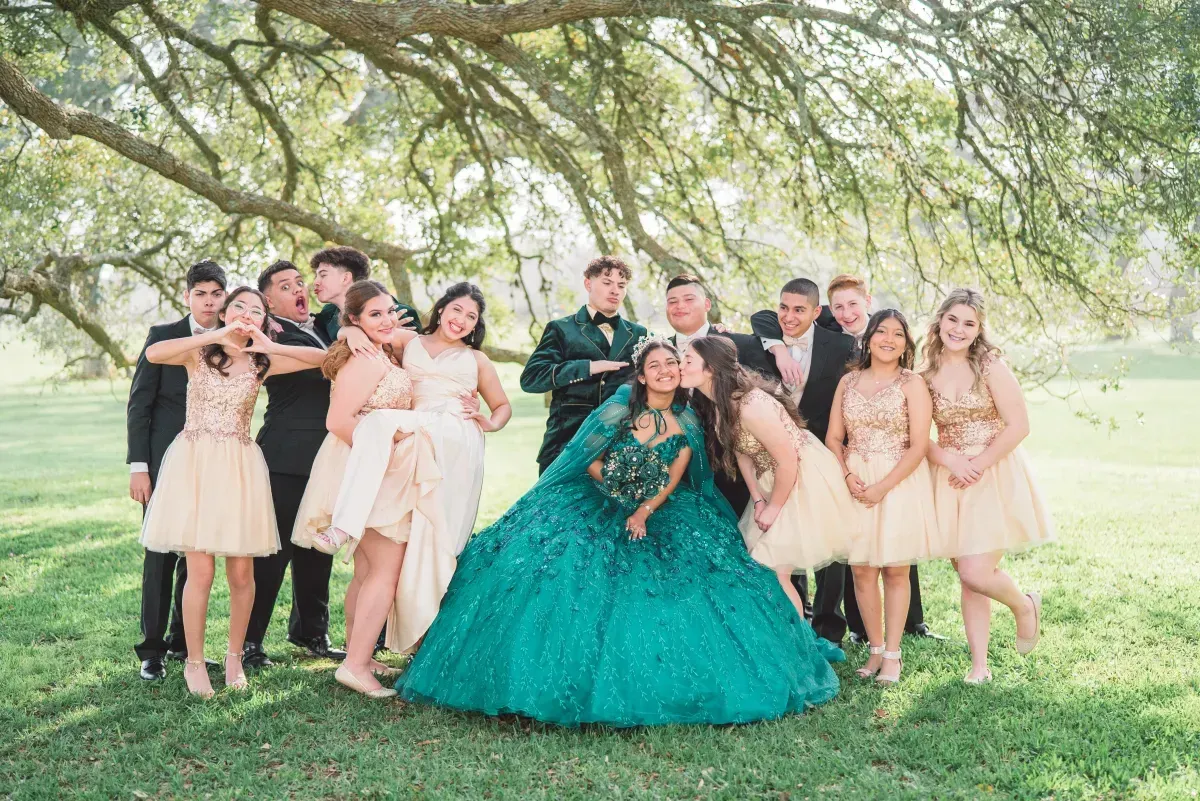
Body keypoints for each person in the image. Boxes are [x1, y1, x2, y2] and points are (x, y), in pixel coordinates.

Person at [395, 339, 843, 726]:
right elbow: (585, 455)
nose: (667, 371)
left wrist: (645, 505)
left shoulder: (689, 420)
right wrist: (617, 485)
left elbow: (675, 474)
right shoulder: (618, 410)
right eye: (656, 366)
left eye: (673, 364)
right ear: (643, 377)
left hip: (662, 507)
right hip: (597, 498)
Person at [303, 283, 512, 694]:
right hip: (411, 443)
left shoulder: (477, 359)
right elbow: (355, 330)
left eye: (471, 316)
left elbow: (502, 406)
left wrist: (487, 420)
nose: (461, 320)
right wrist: (351, 331)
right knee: (378, 562)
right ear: (440, 309)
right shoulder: (408, 341)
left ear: (476, 325)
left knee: (433, 537)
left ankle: (364, 649)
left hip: (454, 439)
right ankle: (358, 657)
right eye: (456, 309)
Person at [139, 287, 327, 697]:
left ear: (264, 319)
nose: (246, 313)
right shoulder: (199, 353)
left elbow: (324, 358)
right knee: (200, 571)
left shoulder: (263, 361)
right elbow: (155, 353)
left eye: (256, 310)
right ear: (225, 312)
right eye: (239, 306)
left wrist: (268, 343)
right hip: (196, 463)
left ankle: (234, 657)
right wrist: (212, 335)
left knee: (242, 573)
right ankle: (192, 661)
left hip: (240, 466)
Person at [755, 274, 940, 642]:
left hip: (891, 463)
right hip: (837, 456)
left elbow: (918, 440)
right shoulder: (828, 332)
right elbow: (764, 317)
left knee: (897, 554)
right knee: (848, 556)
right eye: (838, 306)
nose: (845, 312)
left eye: (853, 304)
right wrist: (777, 347)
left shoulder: (906, 374)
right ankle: (845, 628)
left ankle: (907, 626)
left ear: (867, 303)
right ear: (828, 310)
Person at [922, 289, 1051, 684]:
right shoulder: (924, 372)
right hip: (950, 476)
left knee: (978, 571)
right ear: (940, 320)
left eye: (969, 323)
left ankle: (1024, 606)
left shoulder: (990, 365)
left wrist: (976, 464)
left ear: (979, 330)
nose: (959, 329)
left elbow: (1019, 425)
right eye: (953, 320)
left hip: (992, 472)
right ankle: (979, 665)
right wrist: (950, 461)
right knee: (966, 571)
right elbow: (915, 434)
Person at [682, 336, 860, 621]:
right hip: (770, 482)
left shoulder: (752, 405)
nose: (681, 366)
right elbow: (743, 453)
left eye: (687, 360)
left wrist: (774, 506)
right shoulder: (719, 403)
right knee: (764, 569)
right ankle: (785, 642)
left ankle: (799, 649)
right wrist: (757, 498)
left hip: (798, 479)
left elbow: (788, 459)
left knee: (774, 571)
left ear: (711, 368)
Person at [825, 310, 952, 685]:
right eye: (882, 331)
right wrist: (847, 474)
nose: (889, 339)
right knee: (862, 570)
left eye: (898, 334)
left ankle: (894, 654)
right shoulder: (848, 381)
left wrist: (883, 486)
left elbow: (918, 445)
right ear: (868, 338)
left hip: (898, 482)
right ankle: (876, 648)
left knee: (896, 569)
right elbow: (834, 437)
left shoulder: (912, 383)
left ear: (906, 344)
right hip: (855, 481)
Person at [127, 259, 227, 681]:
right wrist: (139, 466)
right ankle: (152, 651)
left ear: (225, 297)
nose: (208, 301)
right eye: (200, 294)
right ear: (187, 297)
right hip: (164, 465)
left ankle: (186, 645)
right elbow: (139, 404)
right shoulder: (163, 337)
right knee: (160, 556)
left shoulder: (231, 342)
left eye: (216, 293)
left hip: (210, 463)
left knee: (198, 557)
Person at [242, 261, 344, 669]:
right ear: (269, 301)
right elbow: (324, 363)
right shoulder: (264, 334)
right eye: (286, 286)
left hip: (326, 454)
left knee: (318, 548)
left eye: (301, 282)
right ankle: (250, 642)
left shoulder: (324, 326)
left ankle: (312, 633)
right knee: (272, 552)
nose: (300, 289)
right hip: (283, 455)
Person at [747, 278, 855, 644]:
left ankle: (828, 628)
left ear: (817, 313)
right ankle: (795, 621)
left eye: (798, 310)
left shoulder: (840, 345)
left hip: (818, 454)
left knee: (827, 544)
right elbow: (759, 316)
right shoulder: (766, 338)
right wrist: (778, 349)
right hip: (774, 460)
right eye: (784, 308)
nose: (788, 317)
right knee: (782, 544)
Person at [520, 256, 647, 474]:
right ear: (588, 283)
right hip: (565, 445)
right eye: (607, 283)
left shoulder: (639, 334)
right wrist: (587, 367)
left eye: (621, 285)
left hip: (618, 449)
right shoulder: (560, 329)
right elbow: (531, 379)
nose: (615, 290)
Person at [663, 273, 776, 514]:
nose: (680, 306)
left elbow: (769, 395)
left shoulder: (740, 344)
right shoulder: (659, 351)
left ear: (707, 304)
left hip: (737, 473)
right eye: (672, 301)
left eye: (688, 299)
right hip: (677, 472)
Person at [310, 246, 420, 342]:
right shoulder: (328, 314)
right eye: (316, 276)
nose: (316, 282)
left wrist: (388, 334)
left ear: (345, 278)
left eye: (323, 275)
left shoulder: (398, 314)